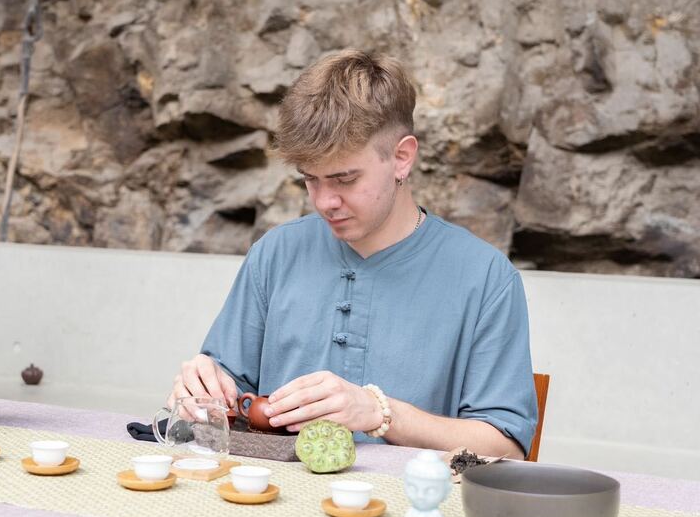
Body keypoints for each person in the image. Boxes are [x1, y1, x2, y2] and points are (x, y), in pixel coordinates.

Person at [168, 50, 537, 458]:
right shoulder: (276, 253)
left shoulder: (484, 277)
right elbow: (225, 395)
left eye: (345, 179)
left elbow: (507, 448)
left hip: (411, 510)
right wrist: (199, 394)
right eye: (311, 180)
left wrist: (381, 413)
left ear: (401, 157)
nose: (325, 202)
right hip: (271, 503)